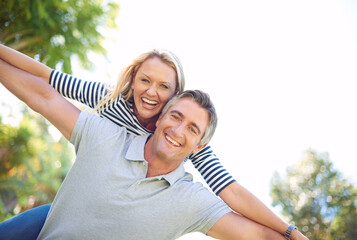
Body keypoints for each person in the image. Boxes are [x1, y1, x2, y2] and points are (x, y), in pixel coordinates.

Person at [0, 45, 308, 240]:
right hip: (78, 205)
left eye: (163, 87)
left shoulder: (190, 144)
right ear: (133, 79)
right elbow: (45, 85)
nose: (151, 92)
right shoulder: (109, 104)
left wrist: (290, 231)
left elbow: (233, 192)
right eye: (145, 80)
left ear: (172, 95)